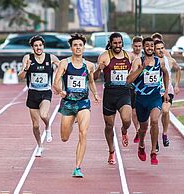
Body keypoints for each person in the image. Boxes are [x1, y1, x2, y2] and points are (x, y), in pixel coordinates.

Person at [53, 33, 100, 178]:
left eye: (80, 45)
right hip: (68, 103)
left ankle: (77, 167)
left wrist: (95, 94)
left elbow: (91, 81)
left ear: (84, 47)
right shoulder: (64, 63)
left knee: (83, 133)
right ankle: (72, 121)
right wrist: (60, 90)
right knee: (64, 137)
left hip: (83, 103)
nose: (78, 47)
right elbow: (57, 80)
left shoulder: (89, 65)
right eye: (75, 45)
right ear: (71, 48)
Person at [127, 37, 169, 165]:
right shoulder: (137, 61)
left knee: (155, 121)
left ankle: (153, 152)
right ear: (143, 47)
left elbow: (166, 74)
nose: (150, 48)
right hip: (141, 99)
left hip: (155, 97)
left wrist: (166, 91)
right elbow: (128, 80)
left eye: (152, 46)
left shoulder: (159, 62)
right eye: (148, 46)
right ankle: (141, 145)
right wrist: (141, 69)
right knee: (143, 127)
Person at [94, 32, 132, 165]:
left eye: (120, 43)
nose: (118, 45)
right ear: (110, 43)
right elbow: (94, 78)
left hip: (124, 93)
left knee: (127, 119)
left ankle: (124, 130)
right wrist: (99, 69)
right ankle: (111, 151)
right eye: (115, 43)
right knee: (109, 126)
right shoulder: (104, 56)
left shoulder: (129, 56)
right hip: (109, 94)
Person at [18, 35, 59, 157]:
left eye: (40, 45)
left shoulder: (50, 57)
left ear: (43, 46)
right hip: (32, 93)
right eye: (36, 45)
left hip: (45, 92)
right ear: (32, 47)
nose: (38, 47)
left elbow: (62, 66)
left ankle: (48, 126)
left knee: (44, 115)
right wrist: (26, 68)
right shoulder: (27, 58)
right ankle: (40, 146)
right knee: (35, 125)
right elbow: (20, 77)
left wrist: (57, 70)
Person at [154, 39, 181, 149]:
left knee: (165, 110)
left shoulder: (169, 60)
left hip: (167, 91)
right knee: (154, 119)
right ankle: (155, 141)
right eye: (158, 49)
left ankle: (164, 134)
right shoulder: (150, 61)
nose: (160, 51)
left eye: (162, 48)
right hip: (154, 92)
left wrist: (177, 85)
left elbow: (178, 69)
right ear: (153, 50)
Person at [128, 36, 143, 144]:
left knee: (142, 110)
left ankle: (142, 128)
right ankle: (137, 129)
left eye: (139, 46)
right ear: (132, 46)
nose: (137, 48)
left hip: (144, 86)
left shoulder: (145, 56)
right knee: (133, 111)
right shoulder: (129, 56)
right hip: (132, 86)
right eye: (136, 46)